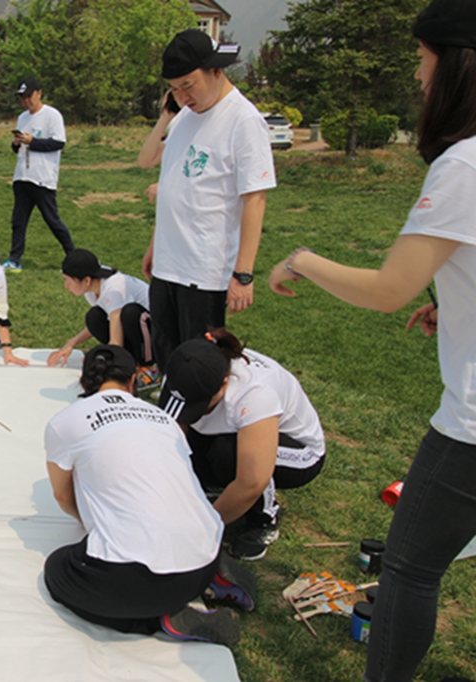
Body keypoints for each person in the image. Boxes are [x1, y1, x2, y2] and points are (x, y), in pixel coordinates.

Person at [267, 1, 476, 676]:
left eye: (421, 59)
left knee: (411, 568)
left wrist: (301, 259)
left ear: (455, 65)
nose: (417, 77)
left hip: (471, 425)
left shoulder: (465, 166)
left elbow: (389, 289)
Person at [43, 344, 255, 646]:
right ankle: (211, 578)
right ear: (132, 381)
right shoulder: (165, 418)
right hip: (207, 552)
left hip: (141, 579)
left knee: (58, 572)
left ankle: (160, 619)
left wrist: (91, 523)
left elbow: (63, 497)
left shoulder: (66, 421)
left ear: (83, 383)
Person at [139, 30, 275, 372]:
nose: (182, 96)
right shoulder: (186, 115)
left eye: (188, 84)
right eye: (174, 88)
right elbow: (173, 181)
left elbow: (255, 200)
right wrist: (156, 242)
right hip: (168, 263)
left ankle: (200, 424)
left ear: (216, 71)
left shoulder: (243, 121)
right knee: (166, 351)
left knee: (200, 363)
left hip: (204, 269)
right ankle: (173, 422)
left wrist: (243, 273)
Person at [157, 332, 326, 560]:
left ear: (224, 383)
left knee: (231, 455)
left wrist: (203, 528)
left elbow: (252, 481)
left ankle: (263, 519)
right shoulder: (182, 370)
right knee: (188, 447)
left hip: (300, 451)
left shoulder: (255, 394)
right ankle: (219, 488)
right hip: (234, 431)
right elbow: (171, 438)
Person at [47, 249, 156, 387]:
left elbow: (116, 340)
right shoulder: (92, 287)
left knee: (130, 313)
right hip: (137, 329)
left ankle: (150, 368)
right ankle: (131, 362)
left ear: (86, 280)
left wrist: (101, 360)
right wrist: (72, 343)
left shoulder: (113, 289)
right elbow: (107, 323)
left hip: (156, 333)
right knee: (94, 317)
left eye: (67, 280)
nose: (66, 285)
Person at [2, 77, 75, 272]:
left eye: (29, 96)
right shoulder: (23, 117)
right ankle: (14, 259)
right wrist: (17, 144)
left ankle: (73, 256)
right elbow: (17, 148)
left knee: (52, 220)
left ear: (39, 93)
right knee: (18, 221)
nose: (26, 101)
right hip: (22, 177)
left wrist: (32, 141)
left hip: (42, 178)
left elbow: (58, 143)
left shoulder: (52, 115)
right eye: (22, 98)